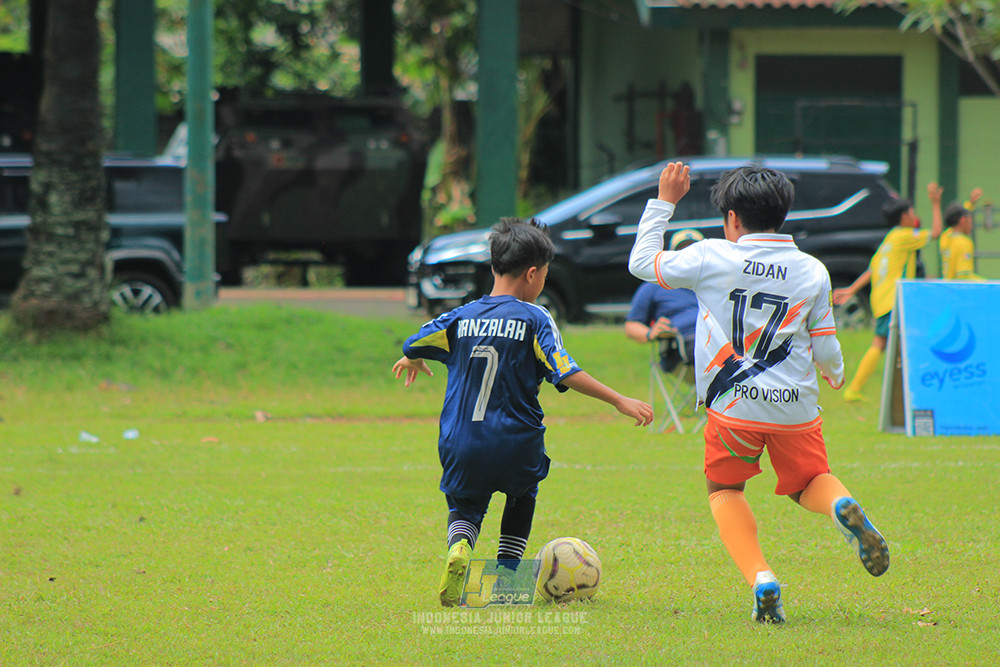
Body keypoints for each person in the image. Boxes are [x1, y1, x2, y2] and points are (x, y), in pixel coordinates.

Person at [628, 162, 889, 624]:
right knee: (809, 481)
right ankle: (838, 505)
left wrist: (665, 200)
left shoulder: (711, 255)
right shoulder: (812, 269)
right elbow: (825, 343)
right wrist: (836, 373)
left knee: (724, 487)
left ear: (731, 218)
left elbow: (640, 263)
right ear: (782, 213)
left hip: (733, 409)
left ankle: (762, 578)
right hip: (795, 406)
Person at [393, 217, 654, 607]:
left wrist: (412, 357)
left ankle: (461, 546)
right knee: (521, 496)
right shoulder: (536, 318)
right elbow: (565, 370)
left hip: (461, 441)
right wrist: (618, 399)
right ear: (532, 274)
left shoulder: (461, 317)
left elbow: (416, 340)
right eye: (545, 276)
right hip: (516, 441)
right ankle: (505, 586)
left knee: (466, 504)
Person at [832, 189, 943, 402]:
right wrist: (935, 203)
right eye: (912, 213)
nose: (915, 217)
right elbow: (936, 233)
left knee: (898, 342)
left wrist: (851, 289)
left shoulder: (890, 238)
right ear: (904, 217)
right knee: (881, 343)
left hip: (883, 300)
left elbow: (872, 270)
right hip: (895, 300)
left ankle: (905, 389)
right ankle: (854, 389)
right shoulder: (903, 236)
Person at [624, 229, 703, 372]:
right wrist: (651, 333)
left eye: (693, 252)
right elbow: (631, 325)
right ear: (671, 255)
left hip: (724, 340)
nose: (687, 256)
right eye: (681, 251)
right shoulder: (654, 286)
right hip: (684, 345)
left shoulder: (716, 282)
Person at [930, 183, 984, 281]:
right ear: (964, 220)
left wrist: (970, 203)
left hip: (948, 288)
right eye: (970, 220)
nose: (971, 225)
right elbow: (963, 276)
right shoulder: (964, 242)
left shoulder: (945, 237)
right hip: (958, 293)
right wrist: (989, 284)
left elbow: (957, 219)